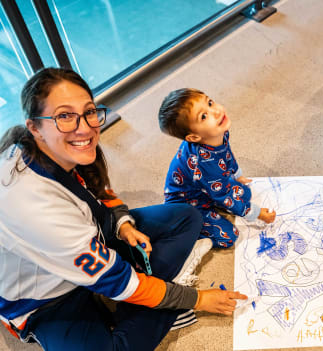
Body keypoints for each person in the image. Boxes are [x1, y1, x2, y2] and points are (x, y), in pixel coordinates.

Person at [0, 68, 247, 350]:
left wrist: (123, 224)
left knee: (187, 217)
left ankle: (151, 301)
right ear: (35, 127)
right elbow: (119, 281)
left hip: (92, 238)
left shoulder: (53, 147)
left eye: (89, 111)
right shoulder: (36, 210)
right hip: (47, 298)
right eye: (65, 116)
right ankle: (161, 305)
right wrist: (197, 299)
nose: (85, 128)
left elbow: (99, 191)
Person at [158, 88, 276, 249]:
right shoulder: (206, 166)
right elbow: (223, 195)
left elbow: (226, 154)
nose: (216, 111)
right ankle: (188, 232)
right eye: (204, 116)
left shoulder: (217, 132)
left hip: (205, 188)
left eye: (210, 102)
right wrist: (258, 214)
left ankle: (214, 198)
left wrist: (237, 174)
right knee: (229, 237)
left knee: (245, 193)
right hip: (187, 205)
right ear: (193, 137)